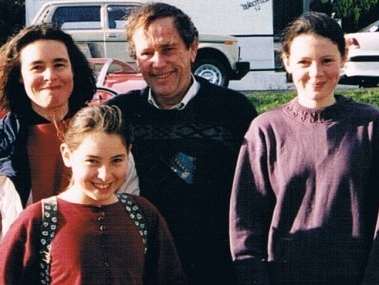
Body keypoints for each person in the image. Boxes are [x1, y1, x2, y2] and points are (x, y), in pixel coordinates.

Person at [0, 24, 137, 284]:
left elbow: (128, 227)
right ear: (19, 76)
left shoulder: (107, 138)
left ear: (74, 69)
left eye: (59, 64)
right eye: (37, 67)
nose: (50, 75)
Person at [105, 2, 257, 284]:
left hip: (216, 269)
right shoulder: (118, 116)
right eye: (147, 53)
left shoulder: (234, 111)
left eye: (168, 49)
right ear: (136, 59)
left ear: (192, 48)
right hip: (140, 268)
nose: (158, 62)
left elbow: (255, 197)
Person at [229, 12, 379, 285]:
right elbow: (245, 224)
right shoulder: (266, 130)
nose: (316, 73)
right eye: (303, 62)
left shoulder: (370, 125)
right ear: (286, 62)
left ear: (343, 58)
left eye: (327, 61)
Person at [0, 105, 187, 284]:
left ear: (128, 153)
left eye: (116, 160)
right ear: (67, 155)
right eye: (92, 161)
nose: (104, 175)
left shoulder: (143, 214)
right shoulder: (38, 219)